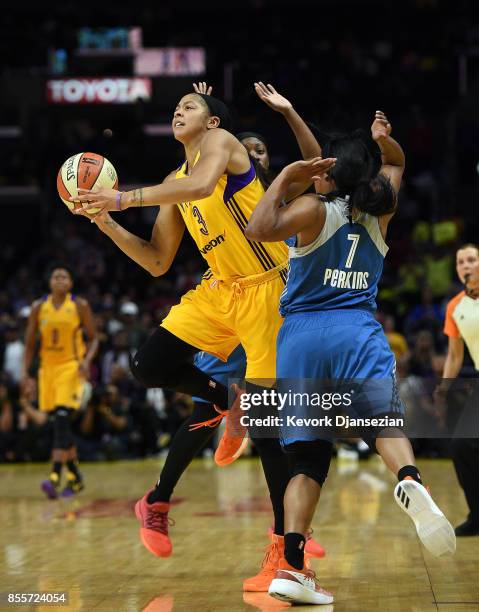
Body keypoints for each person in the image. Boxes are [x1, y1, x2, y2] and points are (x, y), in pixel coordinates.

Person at [73, 84, 331, 582]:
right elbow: (156, 260)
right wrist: (107, 222)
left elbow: (200, 185)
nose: (179, 110)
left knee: (266, 430)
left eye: (190, 107)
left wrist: (124, 197)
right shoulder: (174, 179)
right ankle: (219, 400)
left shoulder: (223, 145)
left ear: (213, 123)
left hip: (268, 292)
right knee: (150, 366)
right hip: (220, 291)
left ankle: (282, 549)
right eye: (177, 107)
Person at [246, 111, 455, 605]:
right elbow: (398, 164)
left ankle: (292, 566)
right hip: (356, 330)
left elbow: (257, 228)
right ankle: (410, 481)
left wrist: (285, 177)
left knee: (307, 459)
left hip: (300, 339)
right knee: (384, 423)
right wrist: (385, 140)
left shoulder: (312, 210)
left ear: (330, 174)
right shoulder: (379, 211)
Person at [21, 265, 98, 498]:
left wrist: (86, 361)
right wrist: (26, 375)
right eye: (56, 276)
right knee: (58, 422)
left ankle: (54, 476)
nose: (60, 280)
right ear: (50, 283)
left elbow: (94, 339)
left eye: (65, 276)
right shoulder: (38, 307)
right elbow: (30, 344)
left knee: (62, 418)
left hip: (70, 367)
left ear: (71, 283)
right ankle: (75, 477)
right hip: (47, 370)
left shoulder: (79, 305)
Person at [434, 244, 479, 536]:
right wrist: (443, 389)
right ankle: (477, 514)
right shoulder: (455, 307)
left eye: (472, 260)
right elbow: (454, 355)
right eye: (461, 261)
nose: (466, 265)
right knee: (461, 446)